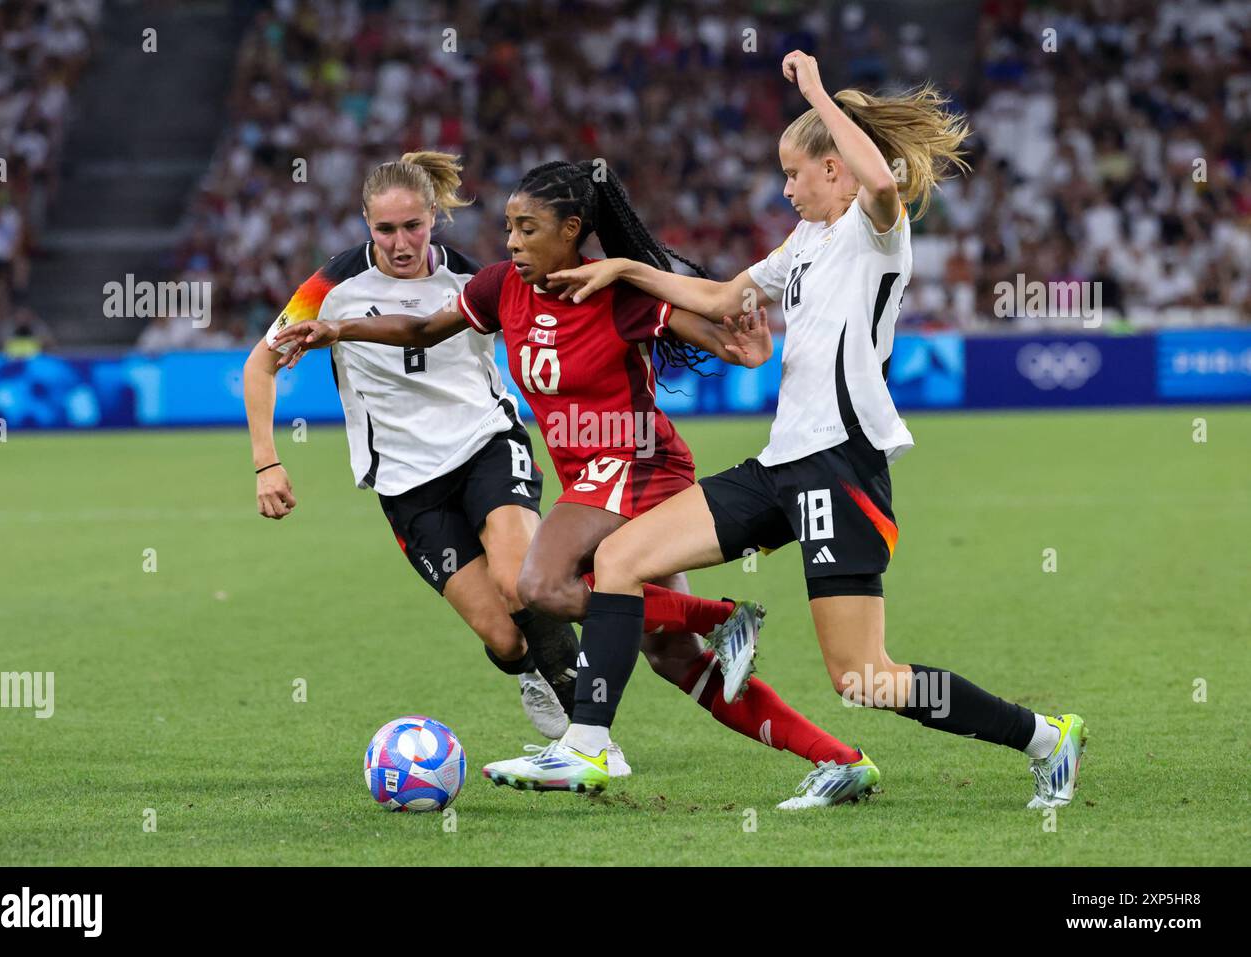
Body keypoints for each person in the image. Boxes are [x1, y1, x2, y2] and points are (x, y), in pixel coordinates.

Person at [498, 51, 1088, 811]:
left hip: (842, 468)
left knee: (863, 676)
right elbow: (719, 296)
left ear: (835, 169)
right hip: (781, 464)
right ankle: (588, 746)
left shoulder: (878, 230)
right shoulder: (802, 245)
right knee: (617, 558)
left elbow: (880, 181)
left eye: (794, 173)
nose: (785, 187)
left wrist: (815, 92)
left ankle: (1045, 736)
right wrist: (625, 273)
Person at [273, 159, 868, 792]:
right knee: (673, 657)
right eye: (508, 228)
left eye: (528, 230)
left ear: (571, 231)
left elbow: (727, 343)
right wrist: (336, 327)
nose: (511, 243)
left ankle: (684, 653)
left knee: (540, 583)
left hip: (639, 462)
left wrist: (746, 347)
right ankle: (839, 759)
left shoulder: (615, 292)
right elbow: (422, 327)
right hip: (590, 477)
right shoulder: (502, 287)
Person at [244, 152, 587, 751]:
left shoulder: (473, 278)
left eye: (413, 227)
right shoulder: (331, 288)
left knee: (518, 579)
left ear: (434, 217)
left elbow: (553, 334)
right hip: (407, 482)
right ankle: (537, 672)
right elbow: (261, 363)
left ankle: (591, 734)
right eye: (385, 229)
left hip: (486, 443)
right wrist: (266, 460)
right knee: (504, 638)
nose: (401, 243)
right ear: (365, 225)